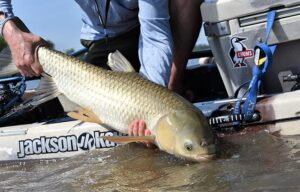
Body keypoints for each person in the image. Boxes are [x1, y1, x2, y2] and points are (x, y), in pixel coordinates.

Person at [0, 0, 203, 140]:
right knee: (81, 102)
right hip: (100, 37)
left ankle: (174, 86)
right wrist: (9, 29)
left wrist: (151, 100)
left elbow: (154, 34)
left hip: (146, 26)